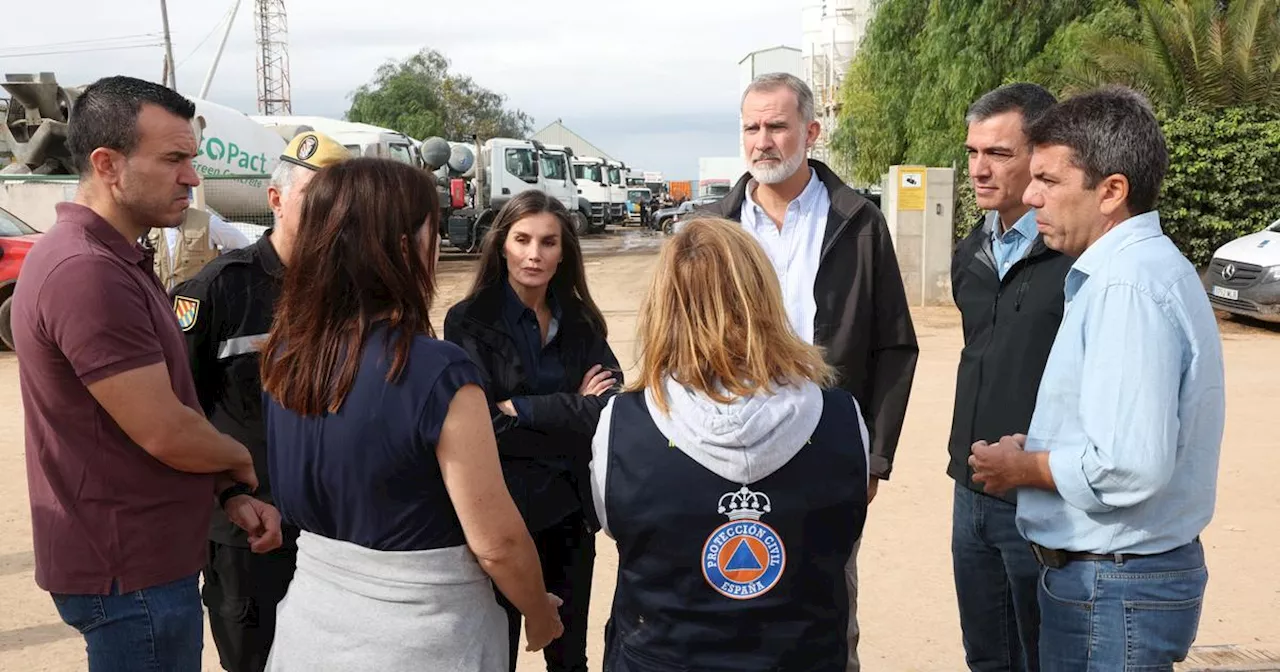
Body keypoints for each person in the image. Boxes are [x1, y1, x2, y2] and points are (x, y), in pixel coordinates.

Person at [10, 75, 281, 671]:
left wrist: (227, 491)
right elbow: (165, 431)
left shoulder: (114, 257)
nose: (191, 176)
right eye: (174, 159)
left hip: (140, 561)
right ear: (108, 164)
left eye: (193, 158)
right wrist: (241, 463)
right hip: (130, 571)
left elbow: (160, 414)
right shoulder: (87, 271)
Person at [259, 158, 562, 671]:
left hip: (310, 626)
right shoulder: (435, 371)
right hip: (419, 638)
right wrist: (538, 612)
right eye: (433, 230)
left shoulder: (287, 354)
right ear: (404, 247)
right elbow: (497, 543)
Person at [968, 86, 1226, 670]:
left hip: (1113, 588)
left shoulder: (1125, 286)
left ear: (1112, 191)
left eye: (1050, 181)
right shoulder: (1131, 272)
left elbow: (1130, 463)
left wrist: (1028, 467)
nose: (1031, 196)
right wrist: (1035, 450)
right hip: (1113, 584)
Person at [696, 71, 918, 671]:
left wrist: (875, 457)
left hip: (827, 449)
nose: (762, 140)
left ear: (811, 131)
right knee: (731, 594)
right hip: (727, 449)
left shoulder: (858, 222)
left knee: (825, 606)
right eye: (751, 127)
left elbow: (895, 346)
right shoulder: (714, 228)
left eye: (777, 125)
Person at [590, 217, 869, 671]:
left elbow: (616, 523)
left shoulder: (623, 425)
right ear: (764, 298)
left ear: (664, 305)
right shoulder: (842, 417)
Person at [170, 131, 351, 672]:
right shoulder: (219, 290)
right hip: (250, 531)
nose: (331, 214)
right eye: (315, 198)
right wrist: (226, 496)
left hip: (336, 527)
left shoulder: (353, 292)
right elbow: (182, 411)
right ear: (275, 200)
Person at [444, 189, 620, 672]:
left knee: (571, 660)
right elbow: (484, 429)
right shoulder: (469, 322)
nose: (534, 254)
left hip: (569, 517)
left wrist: (521, 406)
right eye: (522, 239)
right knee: (494, 658)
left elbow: (609, 410)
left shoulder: (581, 321)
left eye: (548, 242)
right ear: (502, 244)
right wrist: (572, 409)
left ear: (564, 252)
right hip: (500, 518)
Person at [947, 83, 1064, 672]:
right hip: (968, 488)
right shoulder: (970, 252)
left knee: (1042, 655)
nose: (979, 169)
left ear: (1040, 154)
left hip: (1039, 493)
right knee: (986, 656)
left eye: (998, 154)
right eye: (972, 153)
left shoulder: (1074, 256)